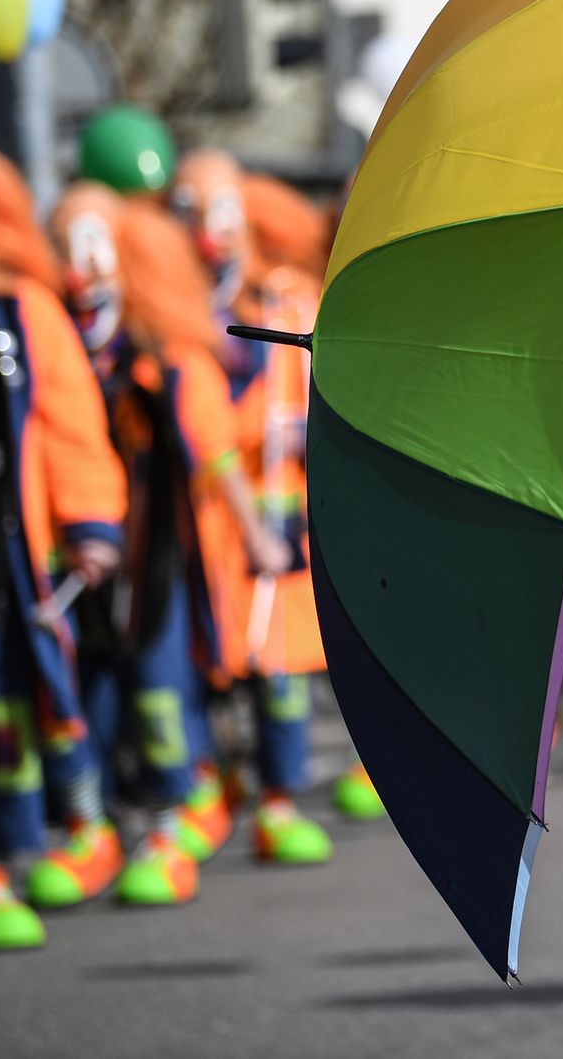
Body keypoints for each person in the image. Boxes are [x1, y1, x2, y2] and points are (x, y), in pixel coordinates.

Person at [47, 186, 290, 906]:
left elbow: (212, 453)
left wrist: (254, 537)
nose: (80, 270)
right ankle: (92, 826)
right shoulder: (56, 347)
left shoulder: (172, 358)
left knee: (160, 686)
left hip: (166, 558)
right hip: (88, 556)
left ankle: (179, 809)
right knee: (86, 691)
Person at [0, 151, 128, 950]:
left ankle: (85, 827)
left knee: (52, 694)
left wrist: (92, 524)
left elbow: (69, 425)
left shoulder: (28, 312)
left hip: (22, 553)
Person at [170, 152, 357, 854]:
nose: (208, 230)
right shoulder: (175, 311)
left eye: (219, 210)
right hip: (200, 520)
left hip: (278, 510)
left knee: (278, 660)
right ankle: (209, 788)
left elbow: (321, 387)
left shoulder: (286, 298)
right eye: (190, 211)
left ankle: (278, 799)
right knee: (201, 663)